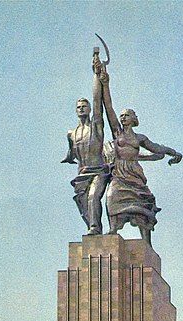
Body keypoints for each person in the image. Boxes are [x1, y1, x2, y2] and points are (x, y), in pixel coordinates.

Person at [98, 64, 182, 247]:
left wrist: (173, 152)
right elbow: (108, 108)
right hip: (119, 173)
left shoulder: (140, 138)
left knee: (142, 205)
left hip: (134, 173)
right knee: (111, 197)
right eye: (121, 116)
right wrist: (105, 84)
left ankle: (146, 242)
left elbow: (156, 148)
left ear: (134, 119)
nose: (122, 118)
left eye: (126, 115)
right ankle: (112, 229)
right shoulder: (117, 133)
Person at [62, 52, 111, 235]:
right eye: (78, 106)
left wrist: (97, 74)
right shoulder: (72, 133)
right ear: (76, 111)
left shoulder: (96, 126)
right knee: (83, 204)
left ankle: (95, 228)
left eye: (85, 105)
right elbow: (71, 153)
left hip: (99, 170)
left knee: (93, 198)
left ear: (89, 109)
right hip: (82, 174)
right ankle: (91, 225)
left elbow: (98, 101)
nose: (81, 108)